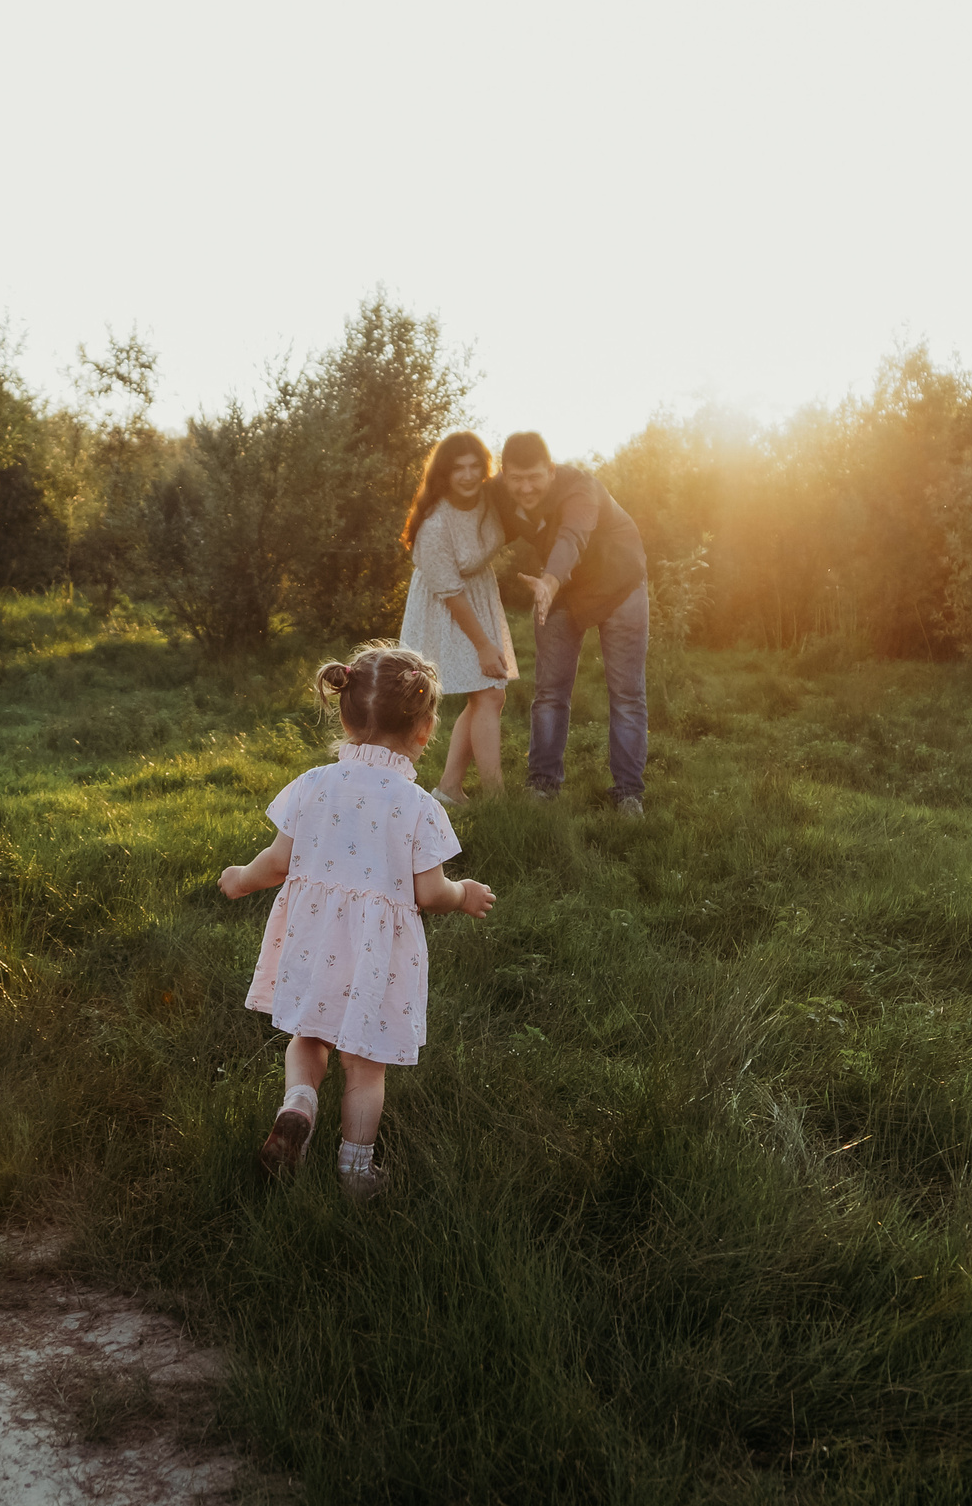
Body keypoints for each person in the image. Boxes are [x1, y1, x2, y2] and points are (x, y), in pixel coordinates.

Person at [218, 643, 496, 1199]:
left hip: (313, 940)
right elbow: (429, 891)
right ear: (424, 731)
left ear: (344, 717)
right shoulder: (420, 806)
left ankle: (299, 1102)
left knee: (308, 1038)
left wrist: (240, 879)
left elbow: (276, 863)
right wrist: (463, 893)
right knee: (366, 1067)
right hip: (376, 959)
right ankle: (356, 1171)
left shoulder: (314, 785)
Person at [496, 432, 651, 814]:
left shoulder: (581, 490)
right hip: (564, 591)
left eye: (534, 477)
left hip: (619, 585)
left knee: (627, 694)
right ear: (504, 475)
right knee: (549, 691)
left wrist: (549, 581)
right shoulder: (501, 493)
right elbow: (469, 514)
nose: (526, 487)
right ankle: (543, 784)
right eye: (516, 478)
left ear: (550, 471)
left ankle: (629, 793)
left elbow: (571, 537)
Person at [396, 431, 517, 806]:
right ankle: (496, 798)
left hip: (477, 598)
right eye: (457, 468)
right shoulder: (435, 524)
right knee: (490, 694)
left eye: (474, 466)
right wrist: (483, 645)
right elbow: (450, 592)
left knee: (486, 696)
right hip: (446, 610)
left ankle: (449, 788)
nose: (467, 475)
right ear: (443, 474)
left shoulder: (489, 498)